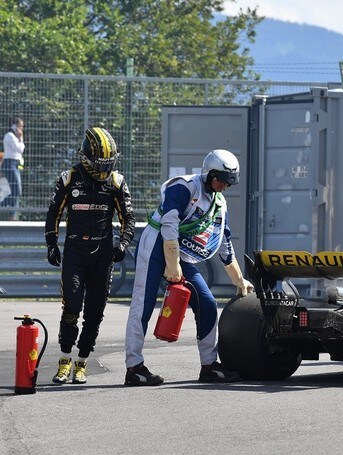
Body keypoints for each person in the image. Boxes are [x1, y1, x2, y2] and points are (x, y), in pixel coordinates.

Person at [124, 149, 253, 386]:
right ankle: (134, 367)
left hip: (181, 254)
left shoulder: (219, 204)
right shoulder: (185, 187)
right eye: (221, 180)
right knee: (142, 304)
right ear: (209, 173)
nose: (224, 186)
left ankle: (209, 365)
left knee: (207, 303)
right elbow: (169, 223)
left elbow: (223, 241)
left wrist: (239, 279)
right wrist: (171, 265)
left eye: (228, 183)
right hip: (156, 245)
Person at [45, 127, 135, 384]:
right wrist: (51, 243)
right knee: (72, 306)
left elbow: (128, 218)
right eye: (100, 163)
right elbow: (54, 213)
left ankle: (82, 362)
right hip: (75, 252)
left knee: (95, 312)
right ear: (86, 157)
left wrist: (123, 244)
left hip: (102, 255)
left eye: (108, 163)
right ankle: (64, 361)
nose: (104, 168)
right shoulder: (69, 178)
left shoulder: (117, 182)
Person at [1, 117, 25, 220]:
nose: (21, 129)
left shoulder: (16, 137)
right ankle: (2, 207)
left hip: (15, 164)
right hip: (9, 163)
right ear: (14, 126)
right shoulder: (10, 135)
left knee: (16, 191)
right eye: (20, 126)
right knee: (17, 190)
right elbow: (19, 149)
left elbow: (21, 149)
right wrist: (20, 138)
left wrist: (20, 138)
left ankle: (11, 215)